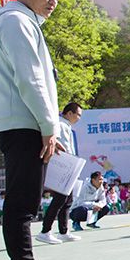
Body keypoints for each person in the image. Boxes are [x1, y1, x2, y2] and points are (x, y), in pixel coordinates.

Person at [0, 0, 77, 260]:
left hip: (23, 123)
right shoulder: (16, 22)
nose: (53, 0)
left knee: (24, 204)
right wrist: (47, 126)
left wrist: (49, 125)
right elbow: (31, 78)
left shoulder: (15, 21)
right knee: (22, 206)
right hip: (24, 125)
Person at [38, 101, 85, 244]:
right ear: (69, 113)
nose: (79, 118)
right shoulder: (60, 124)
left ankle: (63, 231)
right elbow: (60, 146)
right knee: (59, 200)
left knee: (67, 201)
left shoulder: (66, 126)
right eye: (78, 114)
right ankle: (45, 231)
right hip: (64, 167)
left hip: (69, 167)